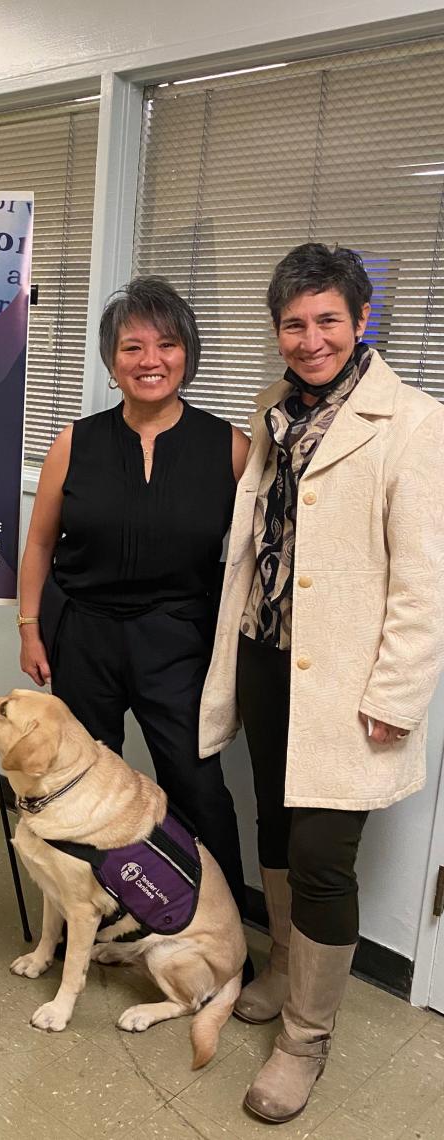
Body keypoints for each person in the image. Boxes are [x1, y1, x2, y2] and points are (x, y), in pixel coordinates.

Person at [199, 244, 444, 1124]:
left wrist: (395, 696)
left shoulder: (414, 423)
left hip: (346, 682)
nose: (310, 339)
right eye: (294, 324)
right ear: (278, 332)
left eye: (327, 320)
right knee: (272, 815)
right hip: (268, 658)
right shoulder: (273, 408)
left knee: (322, 859)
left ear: (360, 321)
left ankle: (306, 1040)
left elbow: (424, 582)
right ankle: (279, 967)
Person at [17, 276, 251, 922]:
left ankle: (219, 930)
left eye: (167, 345)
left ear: (188, 355)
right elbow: (38, 546)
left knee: (198, 788)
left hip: (176, 640)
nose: (151, 361)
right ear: (112, 360)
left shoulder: (230, 449)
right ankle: (87, 920)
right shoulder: (76, 442)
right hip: (83, 634)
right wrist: (30, 626)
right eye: (133, 347)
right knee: (76, 784)